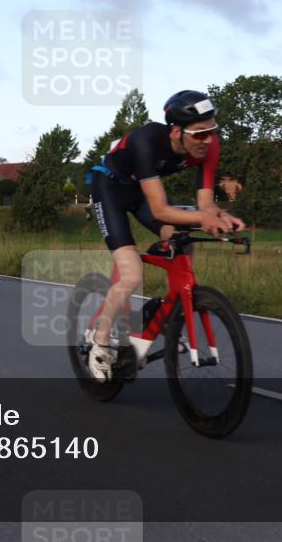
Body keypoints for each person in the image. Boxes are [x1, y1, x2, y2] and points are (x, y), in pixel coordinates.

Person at [86, 90, 246, 382]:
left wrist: (220, 216)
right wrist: (203, 217)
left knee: (182, 235)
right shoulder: (146, 140)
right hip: (109, 190)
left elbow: (206, 204)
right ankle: (100, 340)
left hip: (142, 193)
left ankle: (172, 307)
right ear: (175, 131)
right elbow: (160, 209)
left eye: (212, 131)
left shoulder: (209, 145)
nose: (207, 140)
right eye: (199, 134)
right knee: (132, 275)